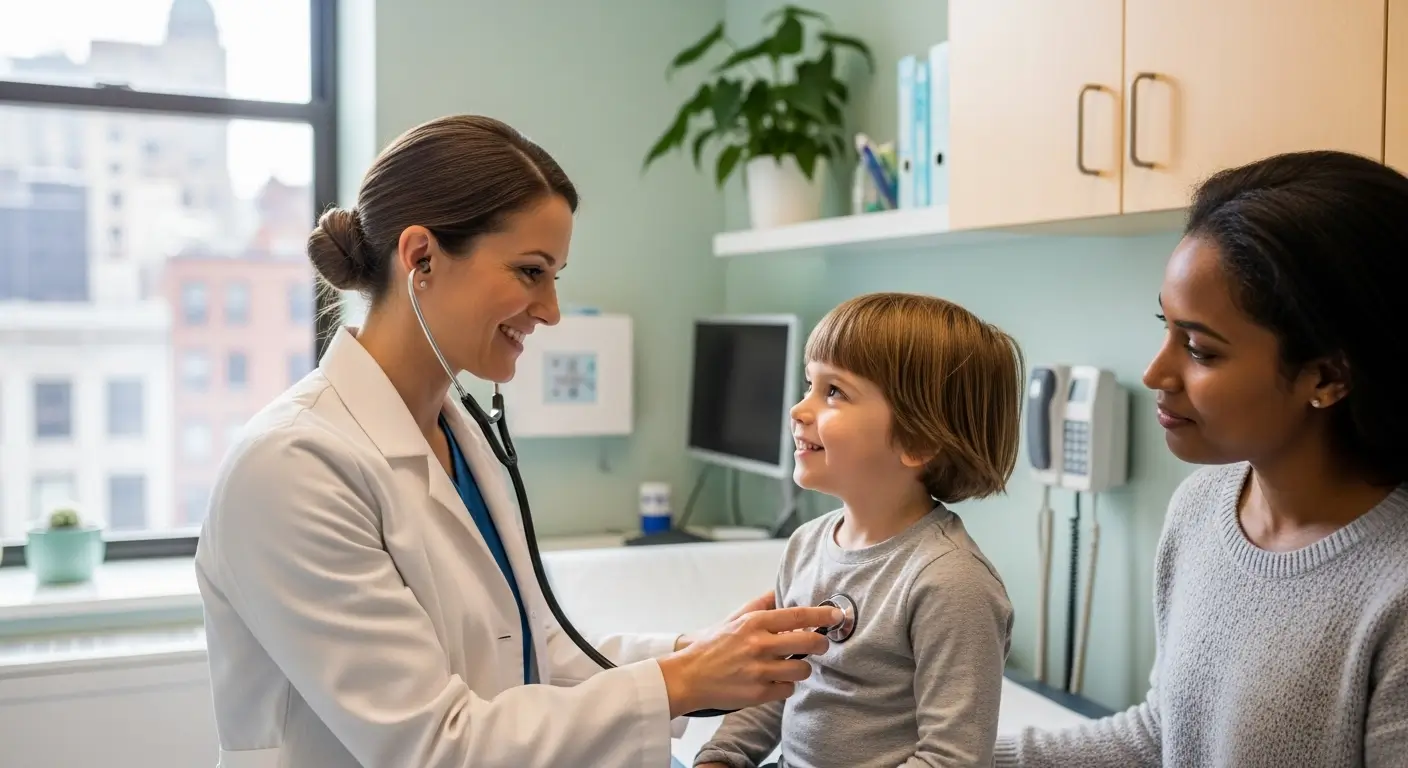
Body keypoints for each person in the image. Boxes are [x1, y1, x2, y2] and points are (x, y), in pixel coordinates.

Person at [193, 114, 843, 768]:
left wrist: (699, 650)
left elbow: (538, 659)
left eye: (555, 275)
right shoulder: (292, 466)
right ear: (421, 258)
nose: (552, 309)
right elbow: (433, 746)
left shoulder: (462, 434)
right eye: (532, 272)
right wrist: (682, 681)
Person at [995, 150, 1408, 767]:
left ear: (1327, 375)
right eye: (1166, 326)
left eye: (1199, 349)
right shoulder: (1202, 506)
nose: (1156, 371)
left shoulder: (1394, 590)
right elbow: (1163, 735)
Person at [695, 292, 1025, 768]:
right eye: (809, 384)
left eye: (834, 392)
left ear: (918, 439)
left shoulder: (951, 583)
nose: (798, 409)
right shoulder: (806, 546)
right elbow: (774, 687)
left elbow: (951, 759)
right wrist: (721, 757)